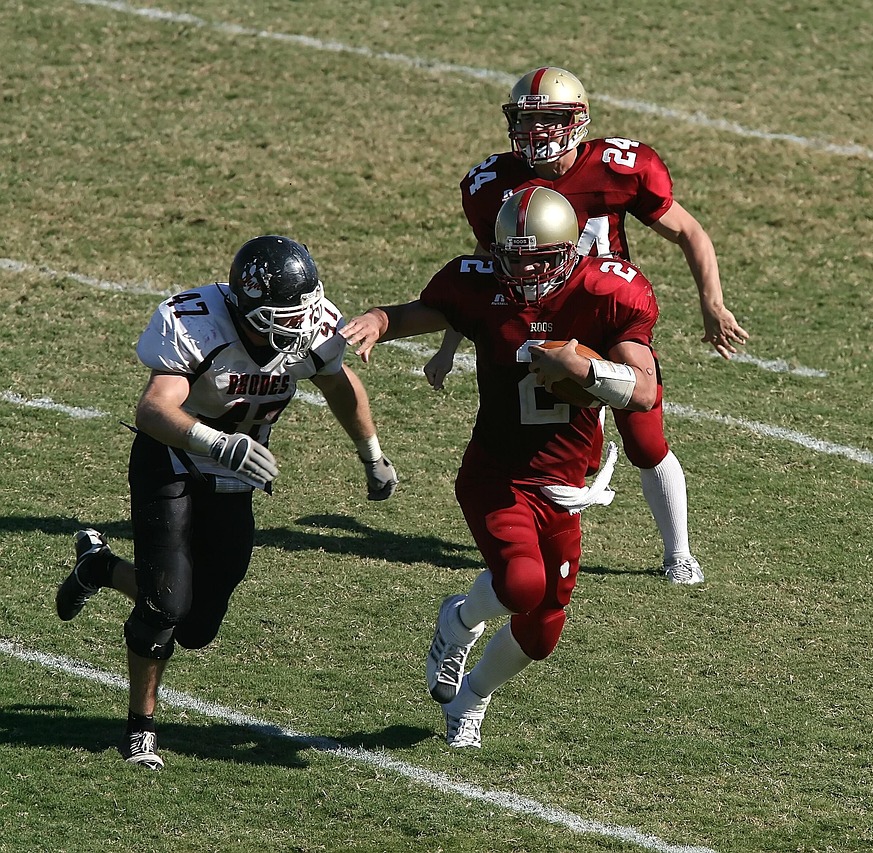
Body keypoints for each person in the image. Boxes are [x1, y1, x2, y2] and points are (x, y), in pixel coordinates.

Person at [55, 235, 398, 770]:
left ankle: (99, 567)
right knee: (166, 604)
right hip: (173, 457)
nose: (302, 323)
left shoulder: (312, 325)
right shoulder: (195, 321)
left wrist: (371, 453)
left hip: (238, 473)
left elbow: (338, 382)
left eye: (305, 307)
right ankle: (139, 728)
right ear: (249, 308)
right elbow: (152, 410)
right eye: (286, 313)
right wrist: (219, 444)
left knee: (196, 625)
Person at [341, 187, 659, 748]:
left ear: (570, 252)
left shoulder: (607, 290)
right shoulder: (481, 282)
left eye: (537, 259)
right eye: (512, 257)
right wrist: (378, 319)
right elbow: (429, 311)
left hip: (563, 481)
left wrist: (582, 368)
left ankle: (472, 697)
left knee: (542, 632)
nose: (522, 271)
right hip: (498, 473)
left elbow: (644, 389)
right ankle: (459, 621)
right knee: (521, 583)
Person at [426, 66, 749, 585]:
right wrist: (451, 343)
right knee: (539, 436)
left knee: (645, 437)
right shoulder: (491, 186)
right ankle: (540, 546)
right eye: (526, 122)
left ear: (578, 119)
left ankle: (679, 552)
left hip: (607, 313)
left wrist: (712, 302)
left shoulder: (621, 168)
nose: (537, 135)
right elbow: (487, 272)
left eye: (550, 120)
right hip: (536, 320)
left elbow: (688, 230)